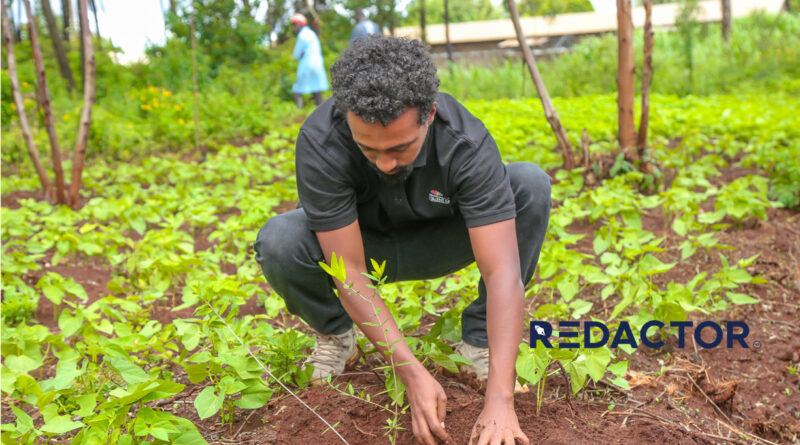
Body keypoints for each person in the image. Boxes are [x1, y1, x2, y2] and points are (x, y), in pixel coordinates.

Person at [254, 35, 550, 445]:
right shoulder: (322, 140)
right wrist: (409, 369)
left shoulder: (464, 141)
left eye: (400, 147)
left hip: (444, 239)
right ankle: (338, 335)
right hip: (363, 247)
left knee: (528, 184)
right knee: (280, 239)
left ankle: (478, 342)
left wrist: (500, 400)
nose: (385, 163)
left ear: (429, 113)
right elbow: (350, 270)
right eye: (368, 150)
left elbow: (502, 271)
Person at [290, 13, 328, 108]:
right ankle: (321, 111)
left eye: (294, 25)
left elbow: (297, 54)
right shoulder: (311, 33)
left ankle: (299, 110)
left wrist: (299, 55)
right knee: (316, 89)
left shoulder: (302, 36)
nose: (294, 27)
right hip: (318, 64)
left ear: (299, 24)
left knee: (297, 89)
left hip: (307, 65)